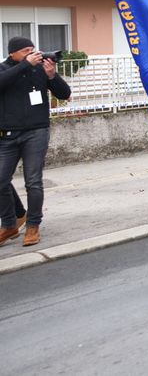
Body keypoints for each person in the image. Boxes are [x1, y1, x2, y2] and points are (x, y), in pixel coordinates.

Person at [0, 37, 72, 247]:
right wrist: (25, 65)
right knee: (1, 180)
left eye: (33, 50)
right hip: (7, 135)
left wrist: (52, 76)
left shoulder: (40, 70)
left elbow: (64, 94)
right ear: (13, 53)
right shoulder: (4, 69)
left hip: (36, 132)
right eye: (25, 51)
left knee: (33, 181)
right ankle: (10, 225)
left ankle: (33, 225)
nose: (32, 54)